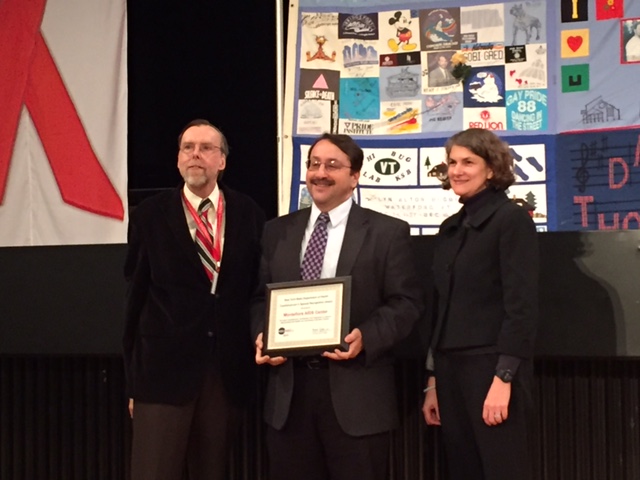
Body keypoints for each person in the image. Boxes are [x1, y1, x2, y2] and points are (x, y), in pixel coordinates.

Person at [251, 133, 424, 480]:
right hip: (289, 396)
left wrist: (367, 337)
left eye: (332, 165)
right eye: (314, 164)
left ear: (355, 176)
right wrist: (261, 334)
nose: (320, 173)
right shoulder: (276, 231)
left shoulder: (387, 232)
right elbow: (259, 298)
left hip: (357, 394)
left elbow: (405, 303)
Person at [123, 119, 265, 480]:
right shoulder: (150, 215)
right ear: (178, 159)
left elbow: (256, 290)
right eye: (188, 147)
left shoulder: (249, 212)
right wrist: (133, 383)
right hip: (162, 376)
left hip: (225, 374)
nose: (195, 155)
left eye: (206, 148)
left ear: (222, 161)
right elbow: (134, 300)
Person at [422, 128, 539, 480]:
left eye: (468, 162)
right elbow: (439, 310)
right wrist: (432, 382)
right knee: (462, 469)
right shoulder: (450, 227)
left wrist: (504, 378)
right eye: (452, 162)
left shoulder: (511, 220)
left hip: (493, 369)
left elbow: (521, 306)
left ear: (491, 169)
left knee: (502, 468)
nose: (456, 170)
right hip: (449, 369)